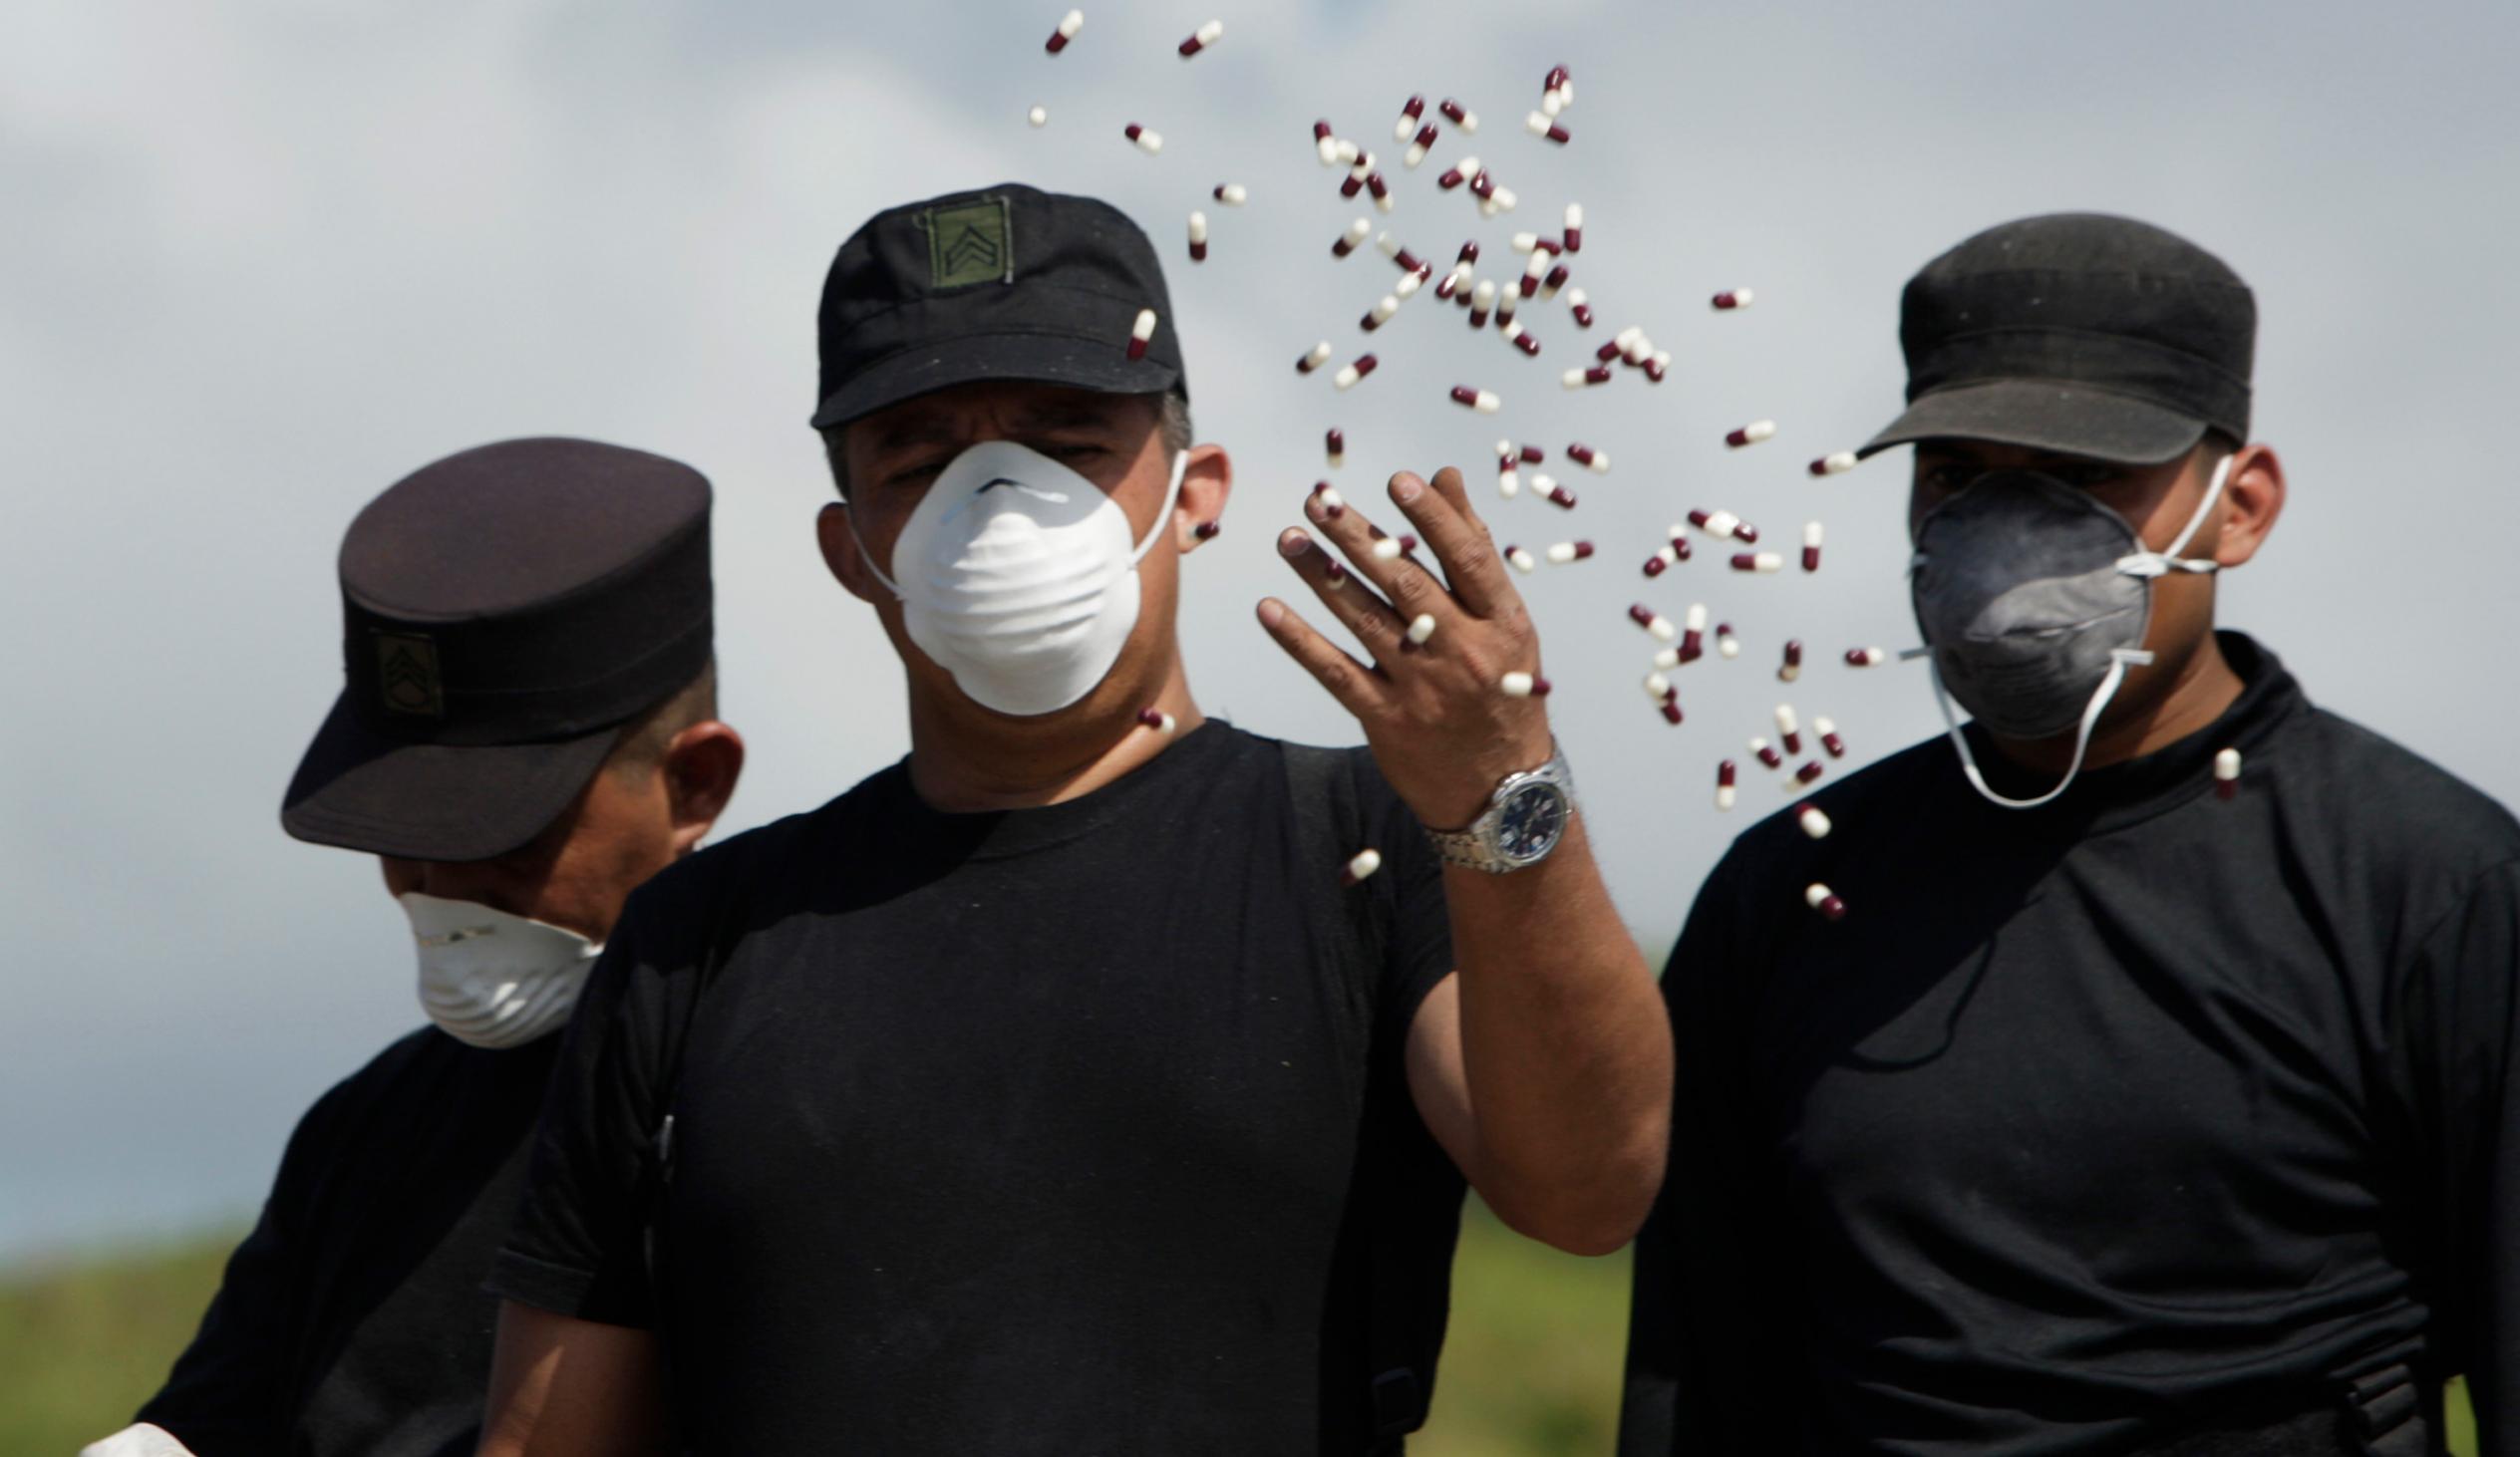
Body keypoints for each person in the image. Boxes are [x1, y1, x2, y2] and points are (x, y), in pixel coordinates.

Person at [474, 182, 1671, 1455]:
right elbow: (551, 1435)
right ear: (848, 546)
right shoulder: (698, 940)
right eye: (921, 459)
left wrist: (1503, 791)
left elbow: (1588, 1189)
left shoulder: (1368, 845)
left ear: (1196, 490)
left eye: (1070, 442)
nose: (998, 505)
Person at [1621, 214, 2520, 1455]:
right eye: (1960, 477)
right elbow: (1697, 1368)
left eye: (2082, 479)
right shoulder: (1794, 886)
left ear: (2238, 508)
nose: (2004, 537)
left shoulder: (2432, 887)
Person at [87, 438, 744, 1457]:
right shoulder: (366, 1129)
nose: (437, 891)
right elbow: (208, 1428)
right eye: (406, 837)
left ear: (692, 787)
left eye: (500, 838)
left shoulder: (794, 1081)